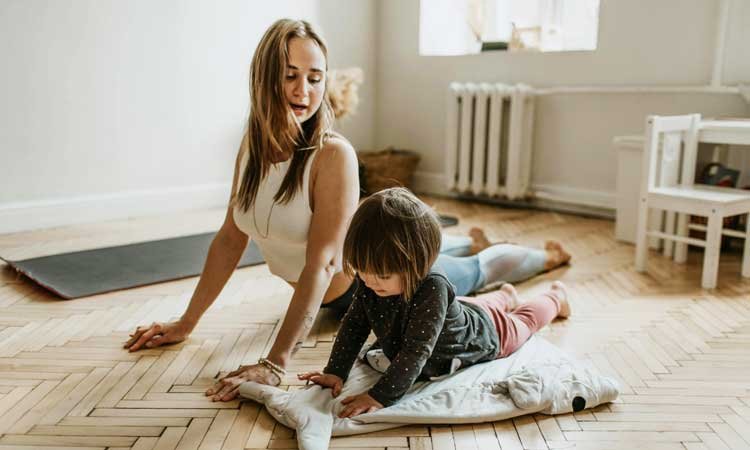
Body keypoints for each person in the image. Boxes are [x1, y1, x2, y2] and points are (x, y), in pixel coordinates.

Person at [123, 18, 571, 403]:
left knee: (474, 270)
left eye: (315, 77)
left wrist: (275, 363)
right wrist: (187, 322)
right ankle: (465, 248)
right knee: (459, 263)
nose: (304, 90)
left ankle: (545, 260)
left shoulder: (332, 155)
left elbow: (320, 264)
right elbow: (229, 239)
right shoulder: (252, 147)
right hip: (359, 279)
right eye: (290, 75)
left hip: (385, 285)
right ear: (263, 78)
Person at [298, 188, 570, 417]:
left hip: (486, 333)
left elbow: (416, 351)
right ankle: (506, 295)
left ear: (417, 264)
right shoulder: (371, 280)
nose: (369, 281)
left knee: (524, 321)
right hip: (460, 310)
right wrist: (335, 371)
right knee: (476, 306)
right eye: (362, 271)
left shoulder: (433, 287)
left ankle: (556, 297)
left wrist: (379, 396)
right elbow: (355, 324)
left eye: (381, 275)